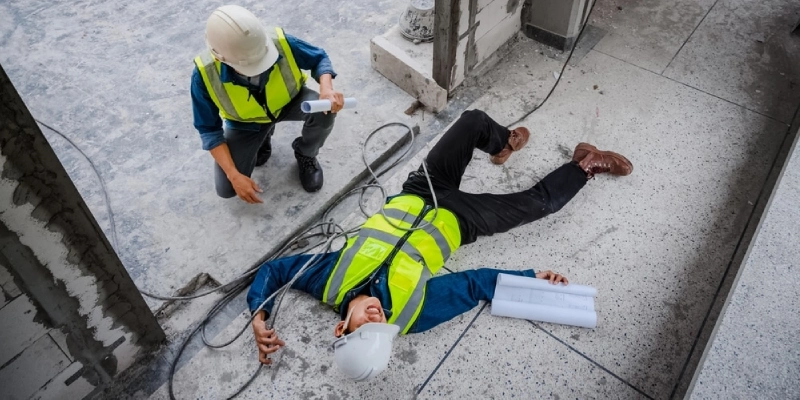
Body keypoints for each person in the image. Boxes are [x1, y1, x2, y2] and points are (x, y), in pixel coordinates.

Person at [246, 109, 633, 379]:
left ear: (341, 329)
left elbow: (274, 271)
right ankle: (585, 163)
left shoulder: (326, 280)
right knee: (539, 204)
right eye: (381, 333)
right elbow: (475, 285)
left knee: (473, 121)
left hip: (422, 188)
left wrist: (257, 317)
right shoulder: (412, 317)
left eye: (365, 327)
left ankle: (503, 143)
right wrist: (531, 277)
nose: (378, 321)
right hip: (463, 219)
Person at [191, 5, 344, 202]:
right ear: (219, 57)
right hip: (246, 124)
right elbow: (208, 129)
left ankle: (306, 154)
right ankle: (262, 137)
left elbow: (318, 58)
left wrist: (326, 88)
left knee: (324, 111)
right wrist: (233, 175)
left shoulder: (279, 42)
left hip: (292, 101)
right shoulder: (204, 75)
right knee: (227, 188)